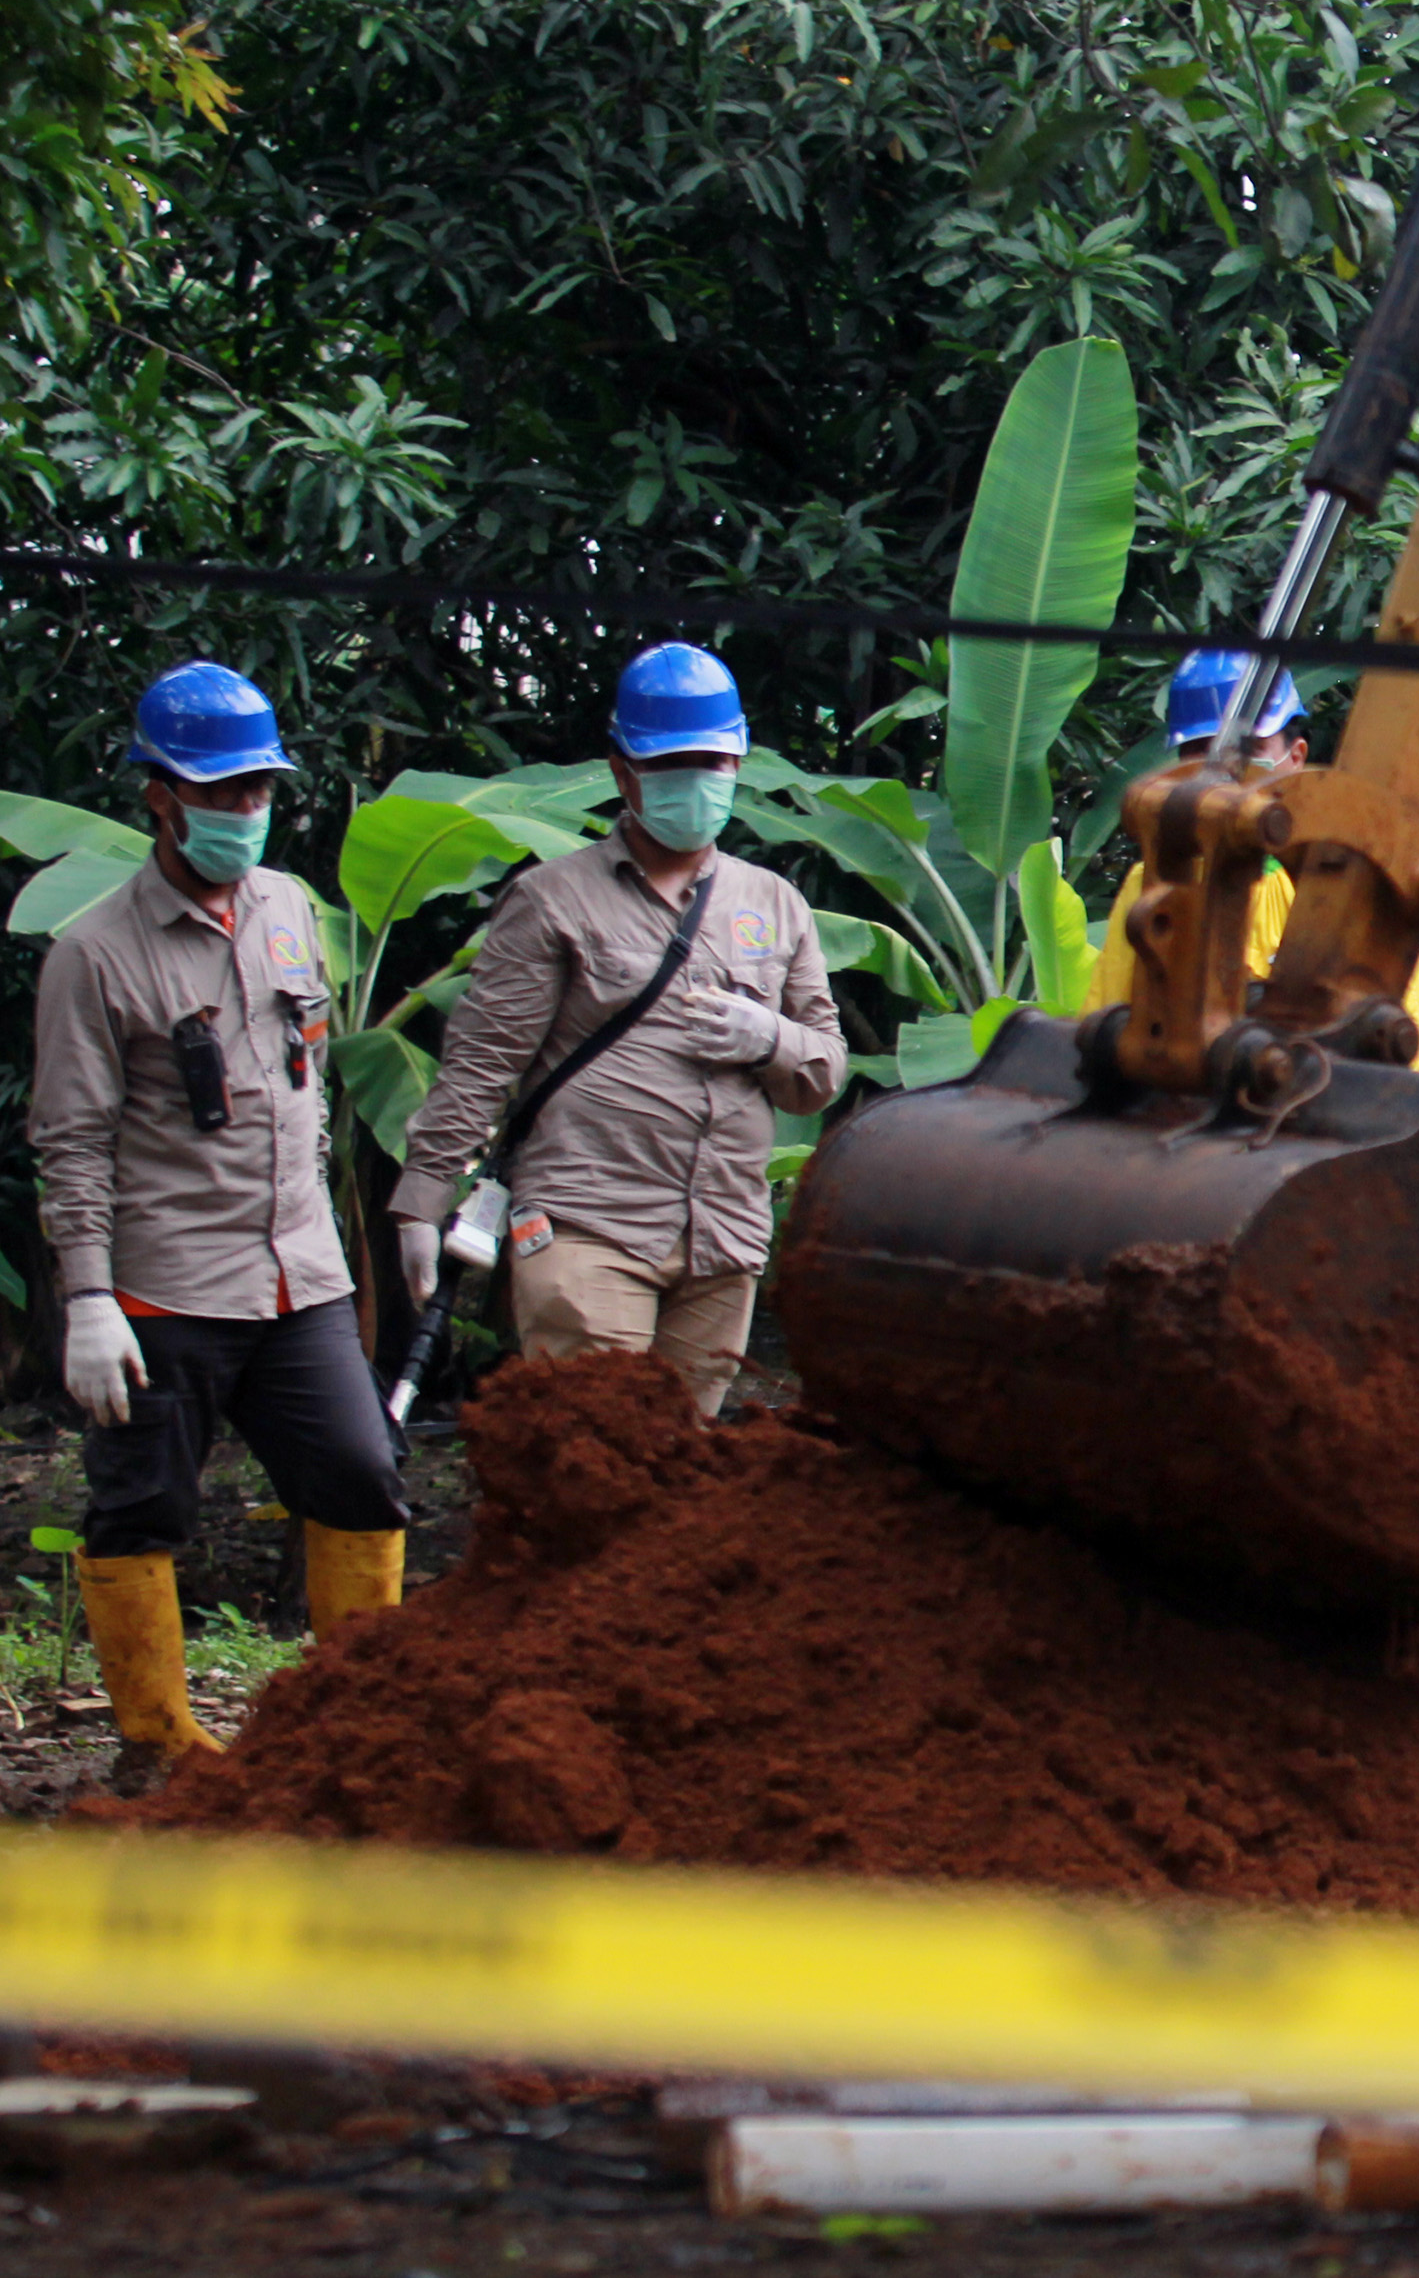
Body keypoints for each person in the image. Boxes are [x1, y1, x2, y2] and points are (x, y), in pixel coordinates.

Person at [28, 664, 410, 1788]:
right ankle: (155, 1748)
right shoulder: (94, 954)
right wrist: (89, 1297)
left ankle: (361, 1729)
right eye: (219, 792)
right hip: (163, 1286)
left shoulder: (291, 908)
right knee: (142, 1505)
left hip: (300, 1273)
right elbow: (70, 1136)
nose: (242, 812)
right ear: (158, 794)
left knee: (360, 1473)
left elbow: (306, 1073)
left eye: (256, 791)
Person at [386, 645, 844, 1416]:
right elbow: (481, 1062)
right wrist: (419, 1206)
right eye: (673, 764)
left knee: (680, 1472)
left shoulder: (774, 903)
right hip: (588, 1225)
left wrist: (768, 1037)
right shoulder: (552, 899)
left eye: (714, 762)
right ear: (624, 770)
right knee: (598, 1450)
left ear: (737, 764)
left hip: (724, 1235)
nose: (697, 781)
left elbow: (822, 1071)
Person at [1091, 648, 1419, 1063]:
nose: (1225, 768)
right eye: (1202, 750)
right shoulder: (1157, 883)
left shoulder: (1354, 892)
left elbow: (1408, 1065)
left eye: (1248, 747)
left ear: (1295, 759)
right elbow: (1102, 1027)